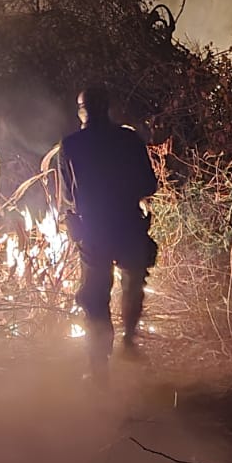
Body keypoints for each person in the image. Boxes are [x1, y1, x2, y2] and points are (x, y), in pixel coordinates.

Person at [58, 85, 159, 380]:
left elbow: (68, 197)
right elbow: (149, 185)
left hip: (94, 229)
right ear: (107, 108)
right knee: (133, 284)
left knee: (95, 297)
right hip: (128, 223)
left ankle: (100, 367)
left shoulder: (71, 145)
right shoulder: (128, 139)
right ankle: (128, 341)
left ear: (82, 111)